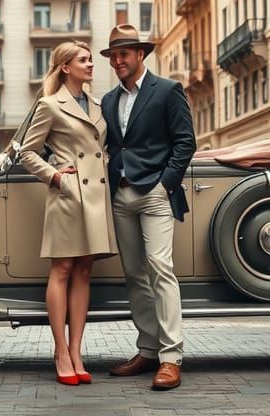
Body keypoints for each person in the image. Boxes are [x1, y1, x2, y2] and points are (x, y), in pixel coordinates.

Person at [100, 24, 196, 391]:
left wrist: (165, 184)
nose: (118, 61)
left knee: (160, 268)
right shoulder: (108, 100)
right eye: (113, 56)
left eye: (124, 54)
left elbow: (186, 142)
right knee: (135, 275)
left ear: (141, 54)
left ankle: (171, 358)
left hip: (155, 193)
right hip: (120, 196)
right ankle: (148, 350)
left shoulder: (168, 90)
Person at [18, 41, 119, 386]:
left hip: (96, 196)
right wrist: (56, 176)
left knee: (84, 271)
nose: (91, 64)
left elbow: (102, 147)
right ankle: (60, 351)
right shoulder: (49, 105)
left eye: (91, 60)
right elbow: (27, 153)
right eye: (83, 60)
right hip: (68, 195)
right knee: (61, 269)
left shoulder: (98, 104)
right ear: (65, 67)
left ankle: (77, 351)